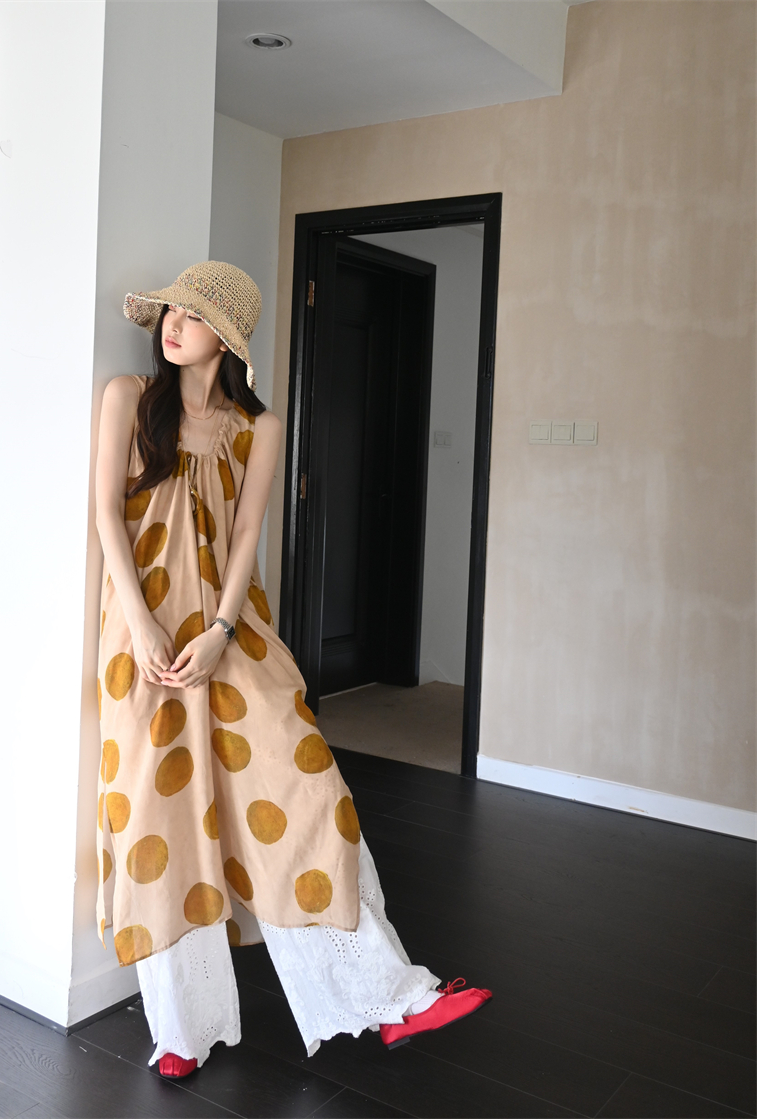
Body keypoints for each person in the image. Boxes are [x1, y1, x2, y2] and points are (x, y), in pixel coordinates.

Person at [94, 261, 491, 1078]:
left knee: (305, 788)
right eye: (171, 311)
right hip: (144, 636)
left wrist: (221, 629)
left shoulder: (259, 426)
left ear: (226, 339)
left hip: (231, 633)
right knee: (159, 822)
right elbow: (105, 513)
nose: (174, 324)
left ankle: (393, 996)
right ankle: (182, 1031)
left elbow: (245, 535)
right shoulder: (128, 396)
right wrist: (142, 625)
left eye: (193, 316)